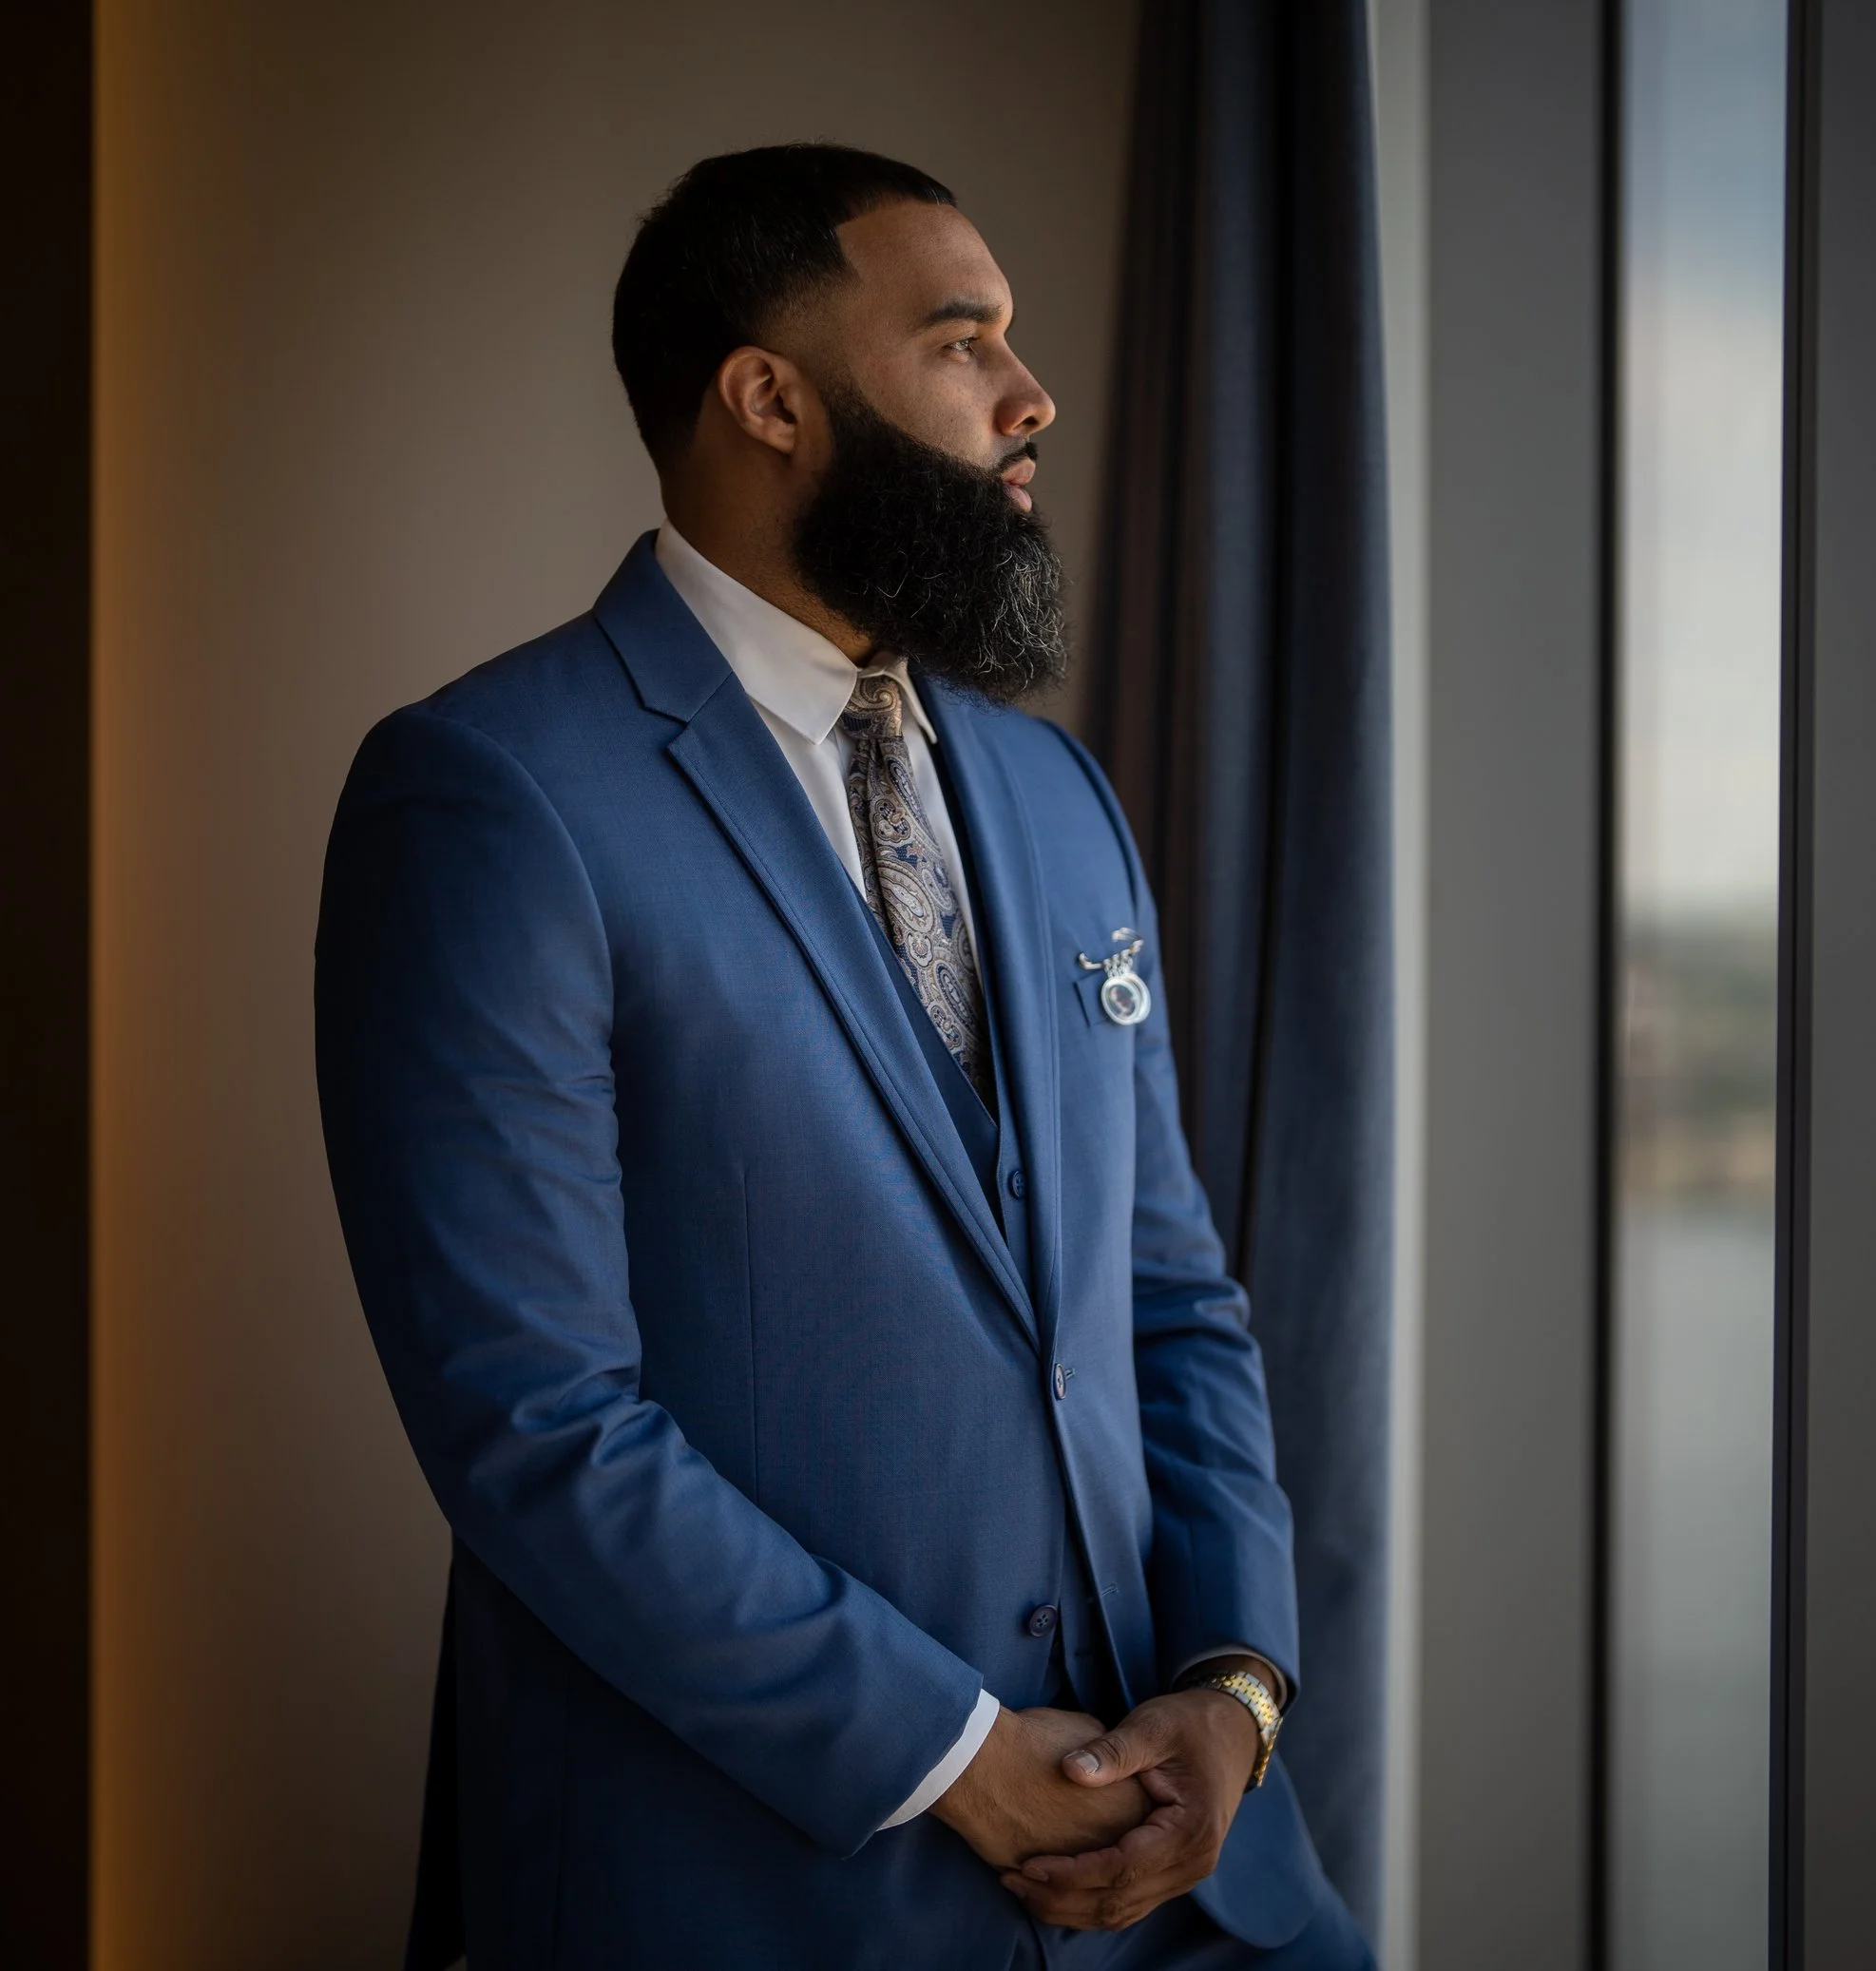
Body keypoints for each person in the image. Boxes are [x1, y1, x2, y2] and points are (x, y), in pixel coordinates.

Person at [314, 144, 1371, 1970]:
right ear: (771, 397)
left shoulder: (1057, 796)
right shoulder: (491, 796)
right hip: (751, 1887)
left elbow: (1166, 1297)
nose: (1030, 398)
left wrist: (1238, 1688)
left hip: (1190, 1889)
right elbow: (534, 1421)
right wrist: (952, 1754)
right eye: (964, 343)